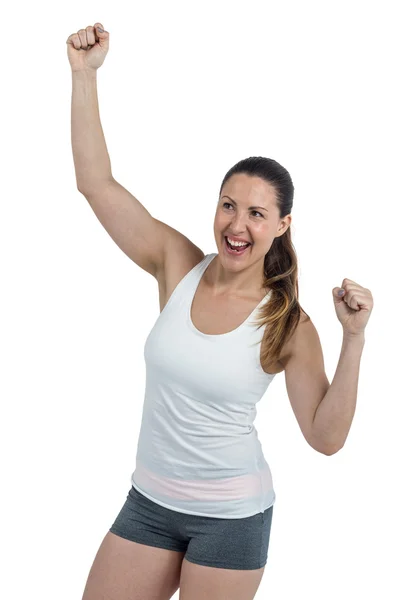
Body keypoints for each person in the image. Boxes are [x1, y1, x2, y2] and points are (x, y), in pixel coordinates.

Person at [67, 22, 373, 600]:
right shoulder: (176, 263)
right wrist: (84, 76)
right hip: (149, 502)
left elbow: (326, 438)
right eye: (228, 206)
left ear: (281, 226)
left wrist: (353, 340)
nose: (238, 224)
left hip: (231, 517)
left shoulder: (288, 323)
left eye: (257, 214)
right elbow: (96, 183)